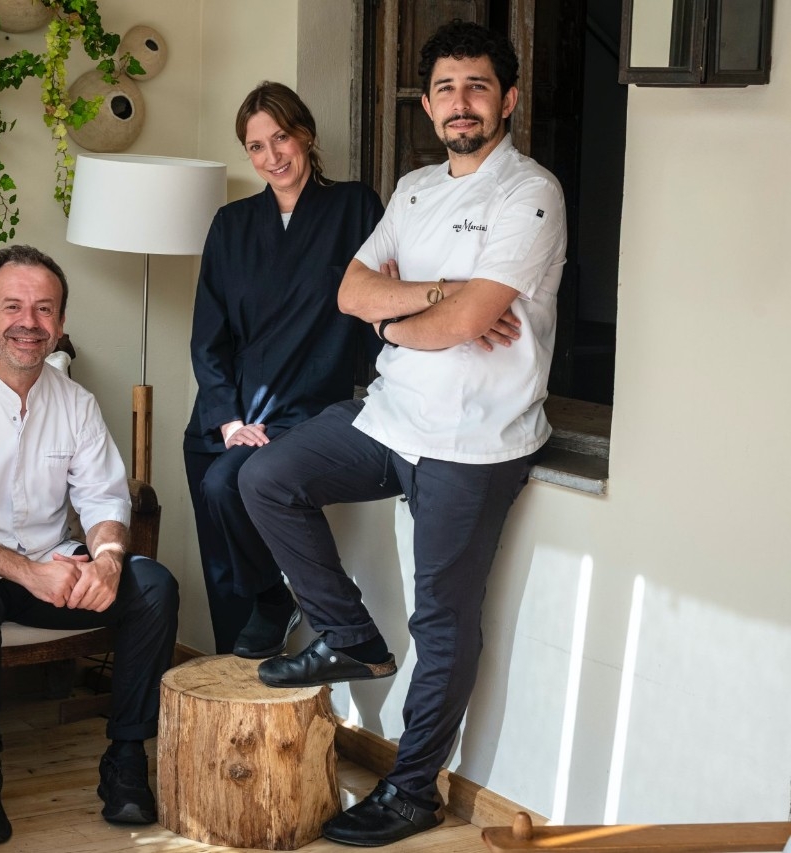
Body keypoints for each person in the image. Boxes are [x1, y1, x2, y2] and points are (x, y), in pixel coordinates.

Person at [239, 20, 567, 847]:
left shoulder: (531, 193)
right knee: (266, 477)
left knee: (442, 621)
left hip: (475, 440)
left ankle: (413, 789)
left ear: (508, 100)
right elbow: (351, 291)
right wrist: (441, 295)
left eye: (478, 86)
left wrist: (410, 312)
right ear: (427, 105)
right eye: (446, 88)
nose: (461, 102)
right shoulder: (415, 189)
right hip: (391, 417)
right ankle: (351, 637)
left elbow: (467, 321)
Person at [0, 245, 179, 845]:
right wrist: (30, 574)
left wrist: (107, 562)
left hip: (50, 567)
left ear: (60, 322)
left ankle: (126, 759)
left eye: (44, 308)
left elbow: (104, 500)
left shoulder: (76, 403)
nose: (28, 322)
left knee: (154, 586)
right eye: (12, 307)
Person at [184, 81, 384, 657]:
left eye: (281, 138)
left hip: (308, 405)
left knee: (226, 484)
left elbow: (380, 301)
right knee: (221, 549)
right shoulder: (231, 224)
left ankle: (275, 600)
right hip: (228, 413)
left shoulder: (355, 208)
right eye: (256, 146)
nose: (272, 156)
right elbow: (208, 335)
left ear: (306, 135)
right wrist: (228, 421)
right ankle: (240, 662)